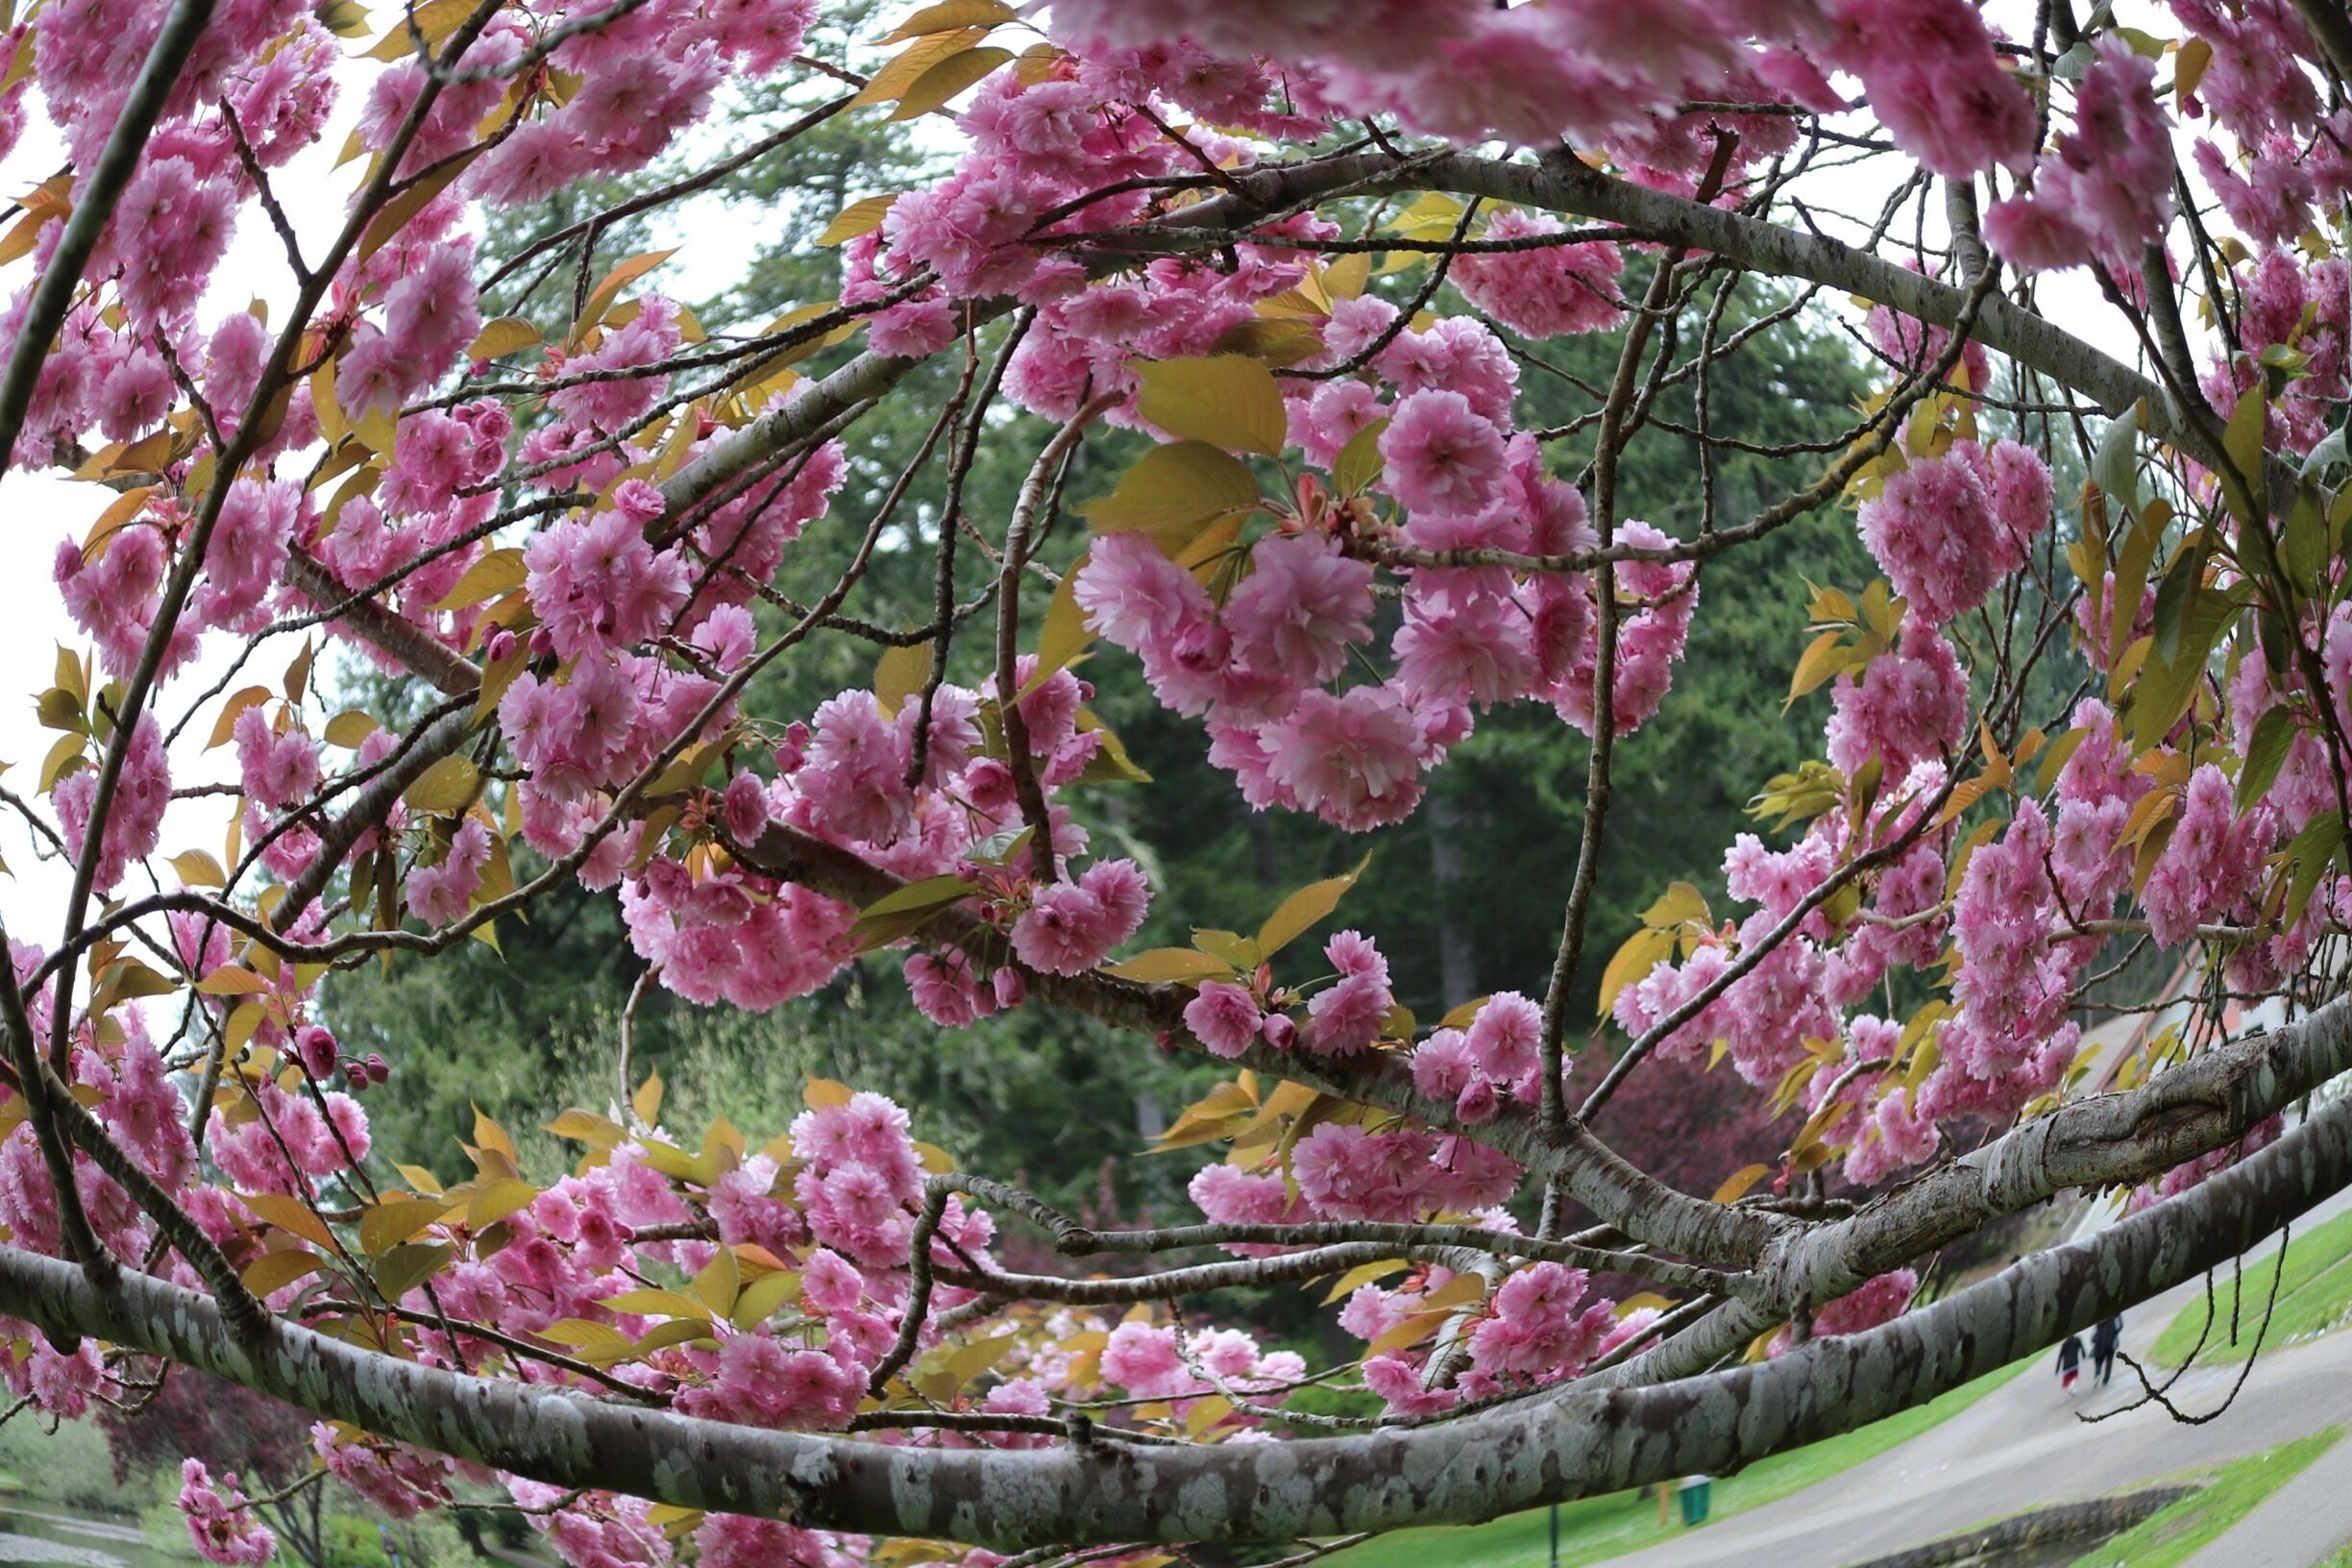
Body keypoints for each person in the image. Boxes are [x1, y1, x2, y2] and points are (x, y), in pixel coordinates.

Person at [2092, 1315, 2123, 1387]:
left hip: (2099, 1344)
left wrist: (2094, 1340)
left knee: (2098, 1361)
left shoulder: (2098, 1319)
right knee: (2109, 1361)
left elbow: (2093, 1335)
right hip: (2110, 1342)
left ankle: (2097, 1375)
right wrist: (2114, 1333)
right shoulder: (2113, 1316)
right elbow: (2120, 1325)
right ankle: (2106, 1379)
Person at [2056, 1332, 2084, 1396]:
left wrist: (2057, 1369)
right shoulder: (2077, 1339)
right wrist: (2084, 1355)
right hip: (2074, 1363)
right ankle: (2071, 1387)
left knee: (2065, 1382)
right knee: (2075, 1376)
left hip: (2066, 1366)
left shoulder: (2064, 1344)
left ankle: (2064, 1397)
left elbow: (2060, 1357)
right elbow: (2082, 1348)